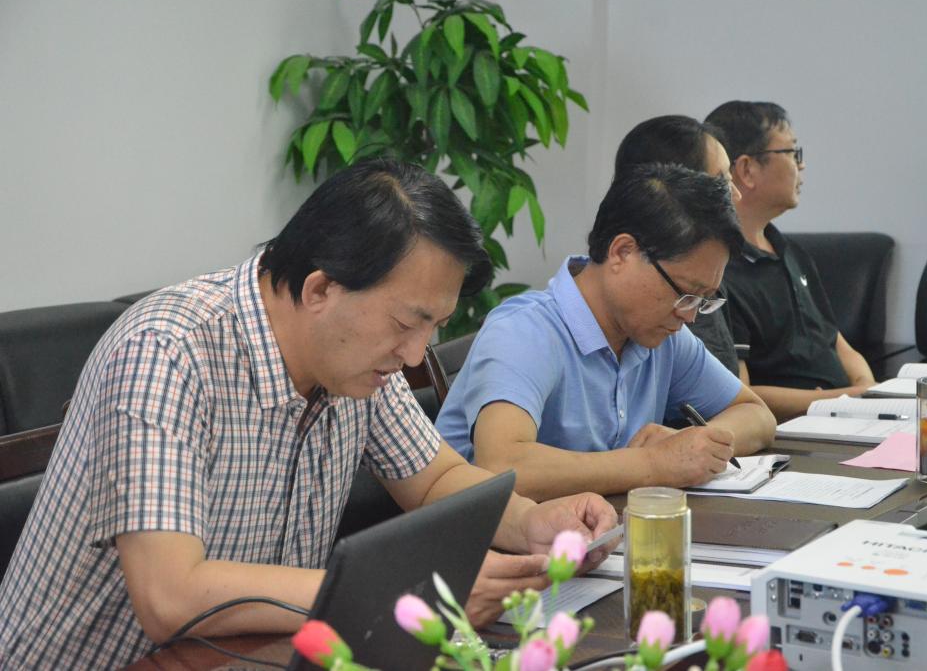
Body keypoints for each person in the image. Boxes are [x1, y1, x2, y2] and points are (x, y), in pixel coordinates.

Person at [0, 160, 618, 669]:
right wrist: (405, 596)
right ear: (321, 289)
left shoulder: (354, 362)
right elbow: (171, 595)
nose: (414, 355)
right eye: (407, 323)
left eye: (433, 326)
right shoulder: (168, 352)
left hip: (257, 656)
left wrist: (531, 521)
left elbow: (435, 480)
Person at [435, 165, 776, 502]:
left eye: (703, 300)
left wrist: (700, 444)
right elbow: (503, 466)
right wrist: (653, 464)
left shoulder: (662, 337)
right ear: (622, 252)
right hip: (488, 535)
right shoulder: (525, 331)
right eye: (685, 293)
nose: (689, 315)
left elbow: (757, 415)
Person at [705, 101, 876, 420]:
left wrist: (866, 387)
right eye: (793, 153)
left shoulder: (791, 252)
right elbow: (740, 393)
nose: (802, 165)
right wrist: (840, 399)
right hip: (790, 428)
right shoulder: (718, 271)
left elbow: (837, 343)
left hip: (844, 414)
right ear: (747, 170)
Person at [613, 114, 744, 377]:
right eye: (722, 183)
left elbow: (739, 397)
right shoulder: (655, 316)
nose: (736, 196)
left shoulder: (682, 318)